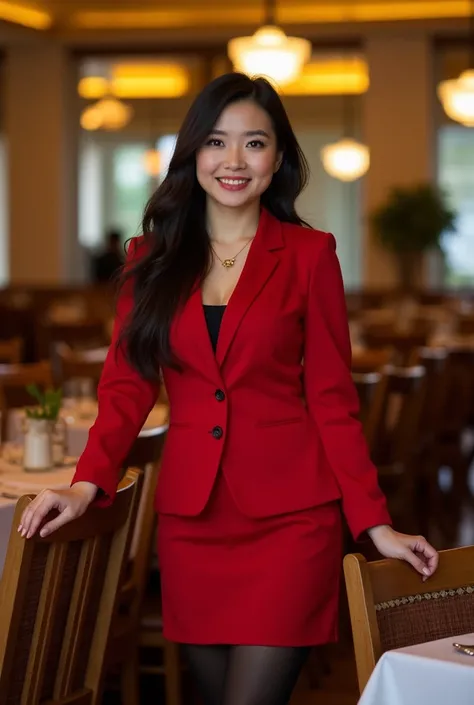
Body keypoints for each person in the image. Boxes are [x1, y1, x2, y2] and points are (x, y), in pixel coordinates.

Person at [19, 73, 438, 705]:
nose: (234, 161)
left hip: (292, 520)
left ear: (277, 160)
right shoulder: (148, 259)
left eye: (255, 143)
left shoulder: (309, 254)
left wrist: (373, 523)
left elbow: (332, 401)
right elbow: (127, 386)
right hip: (192, 522)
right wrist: (86, 482)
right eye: (217, 142)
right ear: (192, 155)